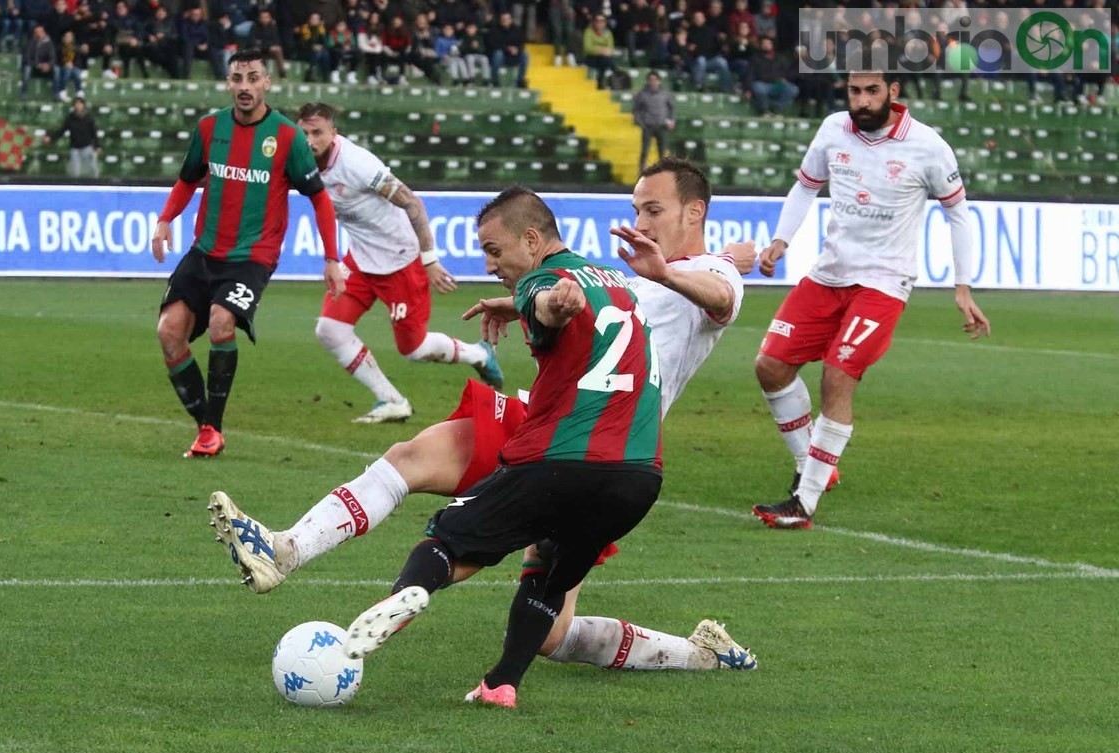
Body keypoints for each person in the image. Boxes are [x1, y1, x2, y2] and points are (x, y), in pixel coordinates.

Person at [210, 160, 759, 702]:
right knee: (415, 456)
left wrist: (669, 272)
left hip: (595, 436)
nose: (640, 220)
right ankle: (287, 550)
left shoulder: (707, 271)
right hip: (582, 438)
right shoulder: (625, 271)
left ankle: (697, 653)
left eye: (653, 209)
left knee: (552, 635)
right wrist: (528, 307)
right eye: (635, 208)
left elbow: (722, 297)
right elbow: (586, 310)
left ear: (695, 210)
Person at [752, 72, 991, 530]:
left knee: (838, 375)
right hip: (828, 275)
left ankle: (804, 501)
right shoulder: (832, 129)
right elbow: (806, 186)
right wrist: (781, 240)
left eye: (872, 91)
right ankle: (813, 462)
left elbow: (957, 212)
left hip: (883, 283)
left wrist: (963, 286)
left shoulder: (928, 145)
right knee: (770, 366)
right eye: (854, 92)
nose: (861, 101)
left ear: (893, 92)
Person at [151, 49, 340, 459]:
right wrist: (166, 219)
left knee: (222, 323)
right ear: (228, 83)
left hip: (254, 255)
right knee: (169, 333)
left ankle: (212, 430)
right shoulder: (208, 129)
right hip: (204, 251)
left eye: (253, 78)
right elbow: (187, 181)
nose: (245, 87)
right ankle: (205, 428)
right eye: (237, 78)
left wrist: (332, 258)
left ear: (266, 83)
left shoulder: (288, 137)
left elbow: (320, 199)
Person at [296, 103, 504, 424]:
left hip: (399, 260)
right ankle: (391, 400)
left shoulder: (358, 164)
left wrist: (429, 259)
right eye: (304, 133)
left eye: (317, 133)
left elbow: (411, 202)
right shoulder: (300, 160)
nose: (310, 140)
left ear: (333, 134)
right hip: (361, 260)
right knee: (330, 330)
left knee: (414, 349)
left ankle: (478, 353)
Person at [44, 97, 100, 179]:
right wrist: (51, 138)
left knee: (93, 169)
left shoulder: (89, 118)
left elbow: (94, 133)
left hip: (87, 147)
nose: (78, 106)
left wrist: (97, 146)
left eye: (80, 104)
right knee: (75, 171)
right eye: (76, 104)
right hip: (75, 148)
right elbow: (62, 130)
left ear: (83, 105)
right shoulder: (70, 118)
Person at [633, 71, 674, 171]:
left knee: (662, 152)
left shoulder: (665, 94)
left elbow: (671, 108)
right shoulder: (642, 94)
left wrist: (671, 120)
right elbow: (635, 109)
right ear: (648, 81)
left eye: (655, 80)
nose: (653, 82)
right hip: (648, 126)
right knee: (644, 151)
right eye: (651, 80)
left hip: (661, 126)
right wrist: (640, 122)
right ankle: (641, 172)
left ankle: (662, 173)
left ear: (659, 81)